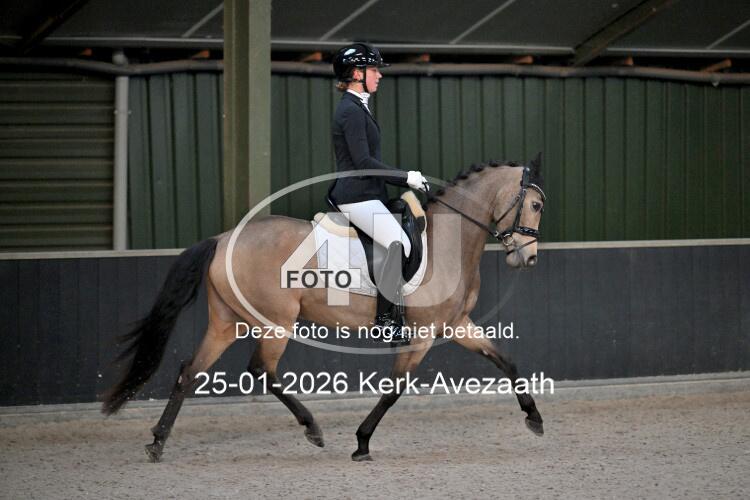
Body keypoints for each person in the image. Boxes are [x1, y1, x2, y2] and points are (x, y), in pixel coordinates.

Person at [328, 42, 429, 344]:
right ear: (357, 73)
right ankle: (385, 321)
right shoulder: (350, 111)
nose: (379, 75)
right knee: (397, 242)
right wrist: (406, 177)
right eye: (374, 69)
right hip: (356, 196)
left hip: (369, 193)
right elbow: (363, 163)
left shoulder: (358, 106)